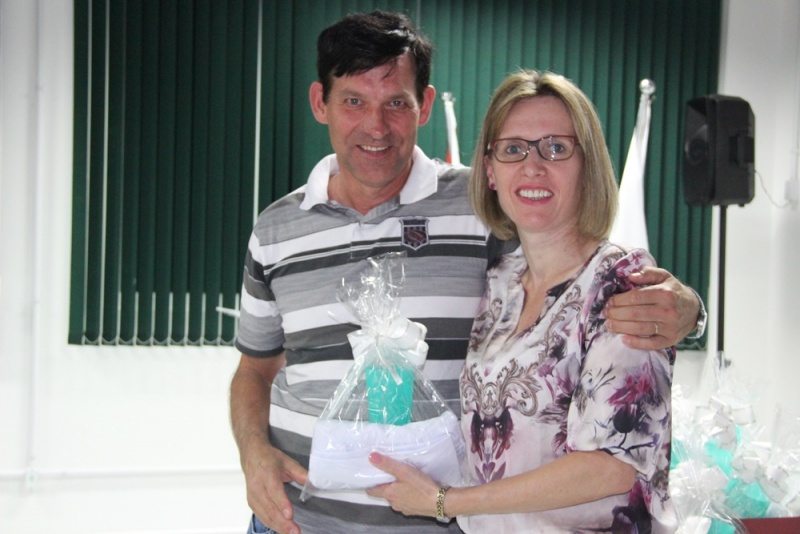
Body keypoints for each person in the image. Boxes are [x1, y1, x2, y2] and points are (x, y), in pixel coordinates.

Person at [231, 12, 699, 534]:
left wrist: (688, 309)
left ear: (425, 105)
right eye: (354, 101)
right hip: (296, 521)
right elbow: (254, 369)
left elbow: (587, 269)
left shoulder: (487, 213)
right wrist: (253, 454)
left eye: (396, 103)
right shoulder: (275, 230)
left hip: (439, 523)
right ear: (321, 102)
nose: (376, 126)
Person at [366, 70, 678, 532]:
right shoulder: (499, 284)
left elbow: (612, 465)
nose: (533, 167)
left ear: (587, 166)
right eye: (513, 149)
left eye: (556, 148)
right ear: (490, 172)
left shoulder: (620, 283)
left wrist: (445, 502)